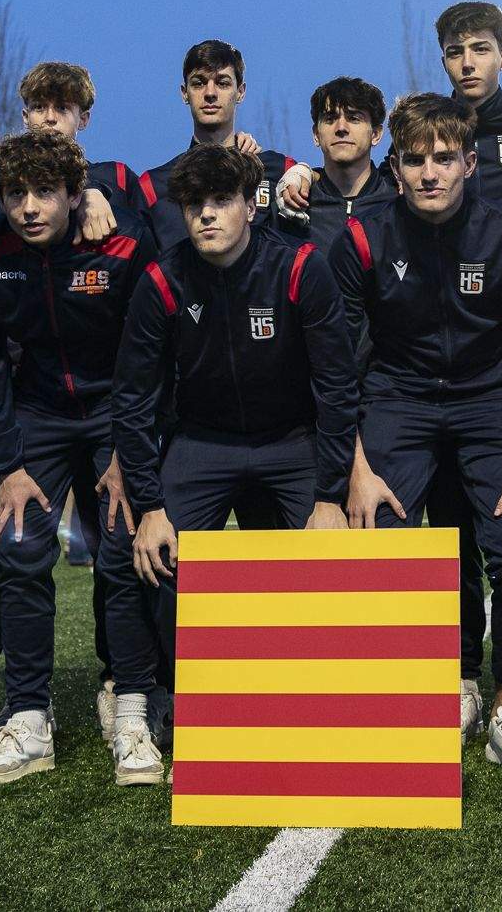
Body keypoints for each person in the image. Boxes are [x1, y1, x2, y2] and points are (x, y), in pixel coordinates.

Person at [327, 94, 502, 767]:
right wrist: (356, 466)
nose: (430, 173)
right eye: (415, 160)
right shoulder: (363, 238)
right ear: (394, 166)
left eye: (443, 159)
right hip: (398, 397)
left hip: (491, 398)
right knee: (385, 544)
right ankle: (420, 691)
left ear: (470, 162)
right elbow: (338, 367)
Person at [113, 144, 359, 750]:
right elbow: (134, 400)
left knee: (344, 545)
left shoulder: (300, 266)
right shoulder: (160, 279)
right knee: (145, 551)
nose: (206, 216)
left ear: (253, 206)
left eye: (222, 202)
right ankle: (165, 696)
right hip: (204, 442)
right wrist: (149, 506)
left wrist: (330, 496)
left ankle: (326, 699)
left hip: (289, 439)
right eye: (195, 204)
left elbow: (336, 387)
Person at [0, 130, 160, 785]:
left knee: (125, 547)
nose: (30, 207)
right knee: (17, 548)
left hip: (115, 411)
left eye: (46, 191)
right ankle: (28, 716)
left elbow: (150, 353)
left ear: (77, 193)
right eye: (15, 194)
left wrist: (131, 448)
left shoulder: (124, 241)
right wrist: (8, 463)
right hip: (36, 413)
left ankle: (131, 712)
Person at [140, 40, 293, 255]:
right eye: (199, 83)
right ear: (184, 93)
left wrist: (306, 172)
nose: (210, 93)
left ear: (240, 92)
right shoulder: (152, 186)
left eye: (222, 83)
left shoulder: (280, 170)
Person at [18, 60, 148, 238]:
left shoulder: (118, 177)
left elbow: (142, 239)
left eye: (62, 108)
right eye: (39, 107)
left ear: (83, 119)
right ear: (26, 117)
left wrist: (89, 187)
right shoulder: (5, 182)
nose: (49, 118)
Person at [284, 76, 397, 249]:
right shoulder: (292, 206)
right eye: (330, 119)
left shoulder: (398, 202)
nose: (341, 128)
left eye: (354, 118)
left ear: (375, 134)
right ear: (316, 135)